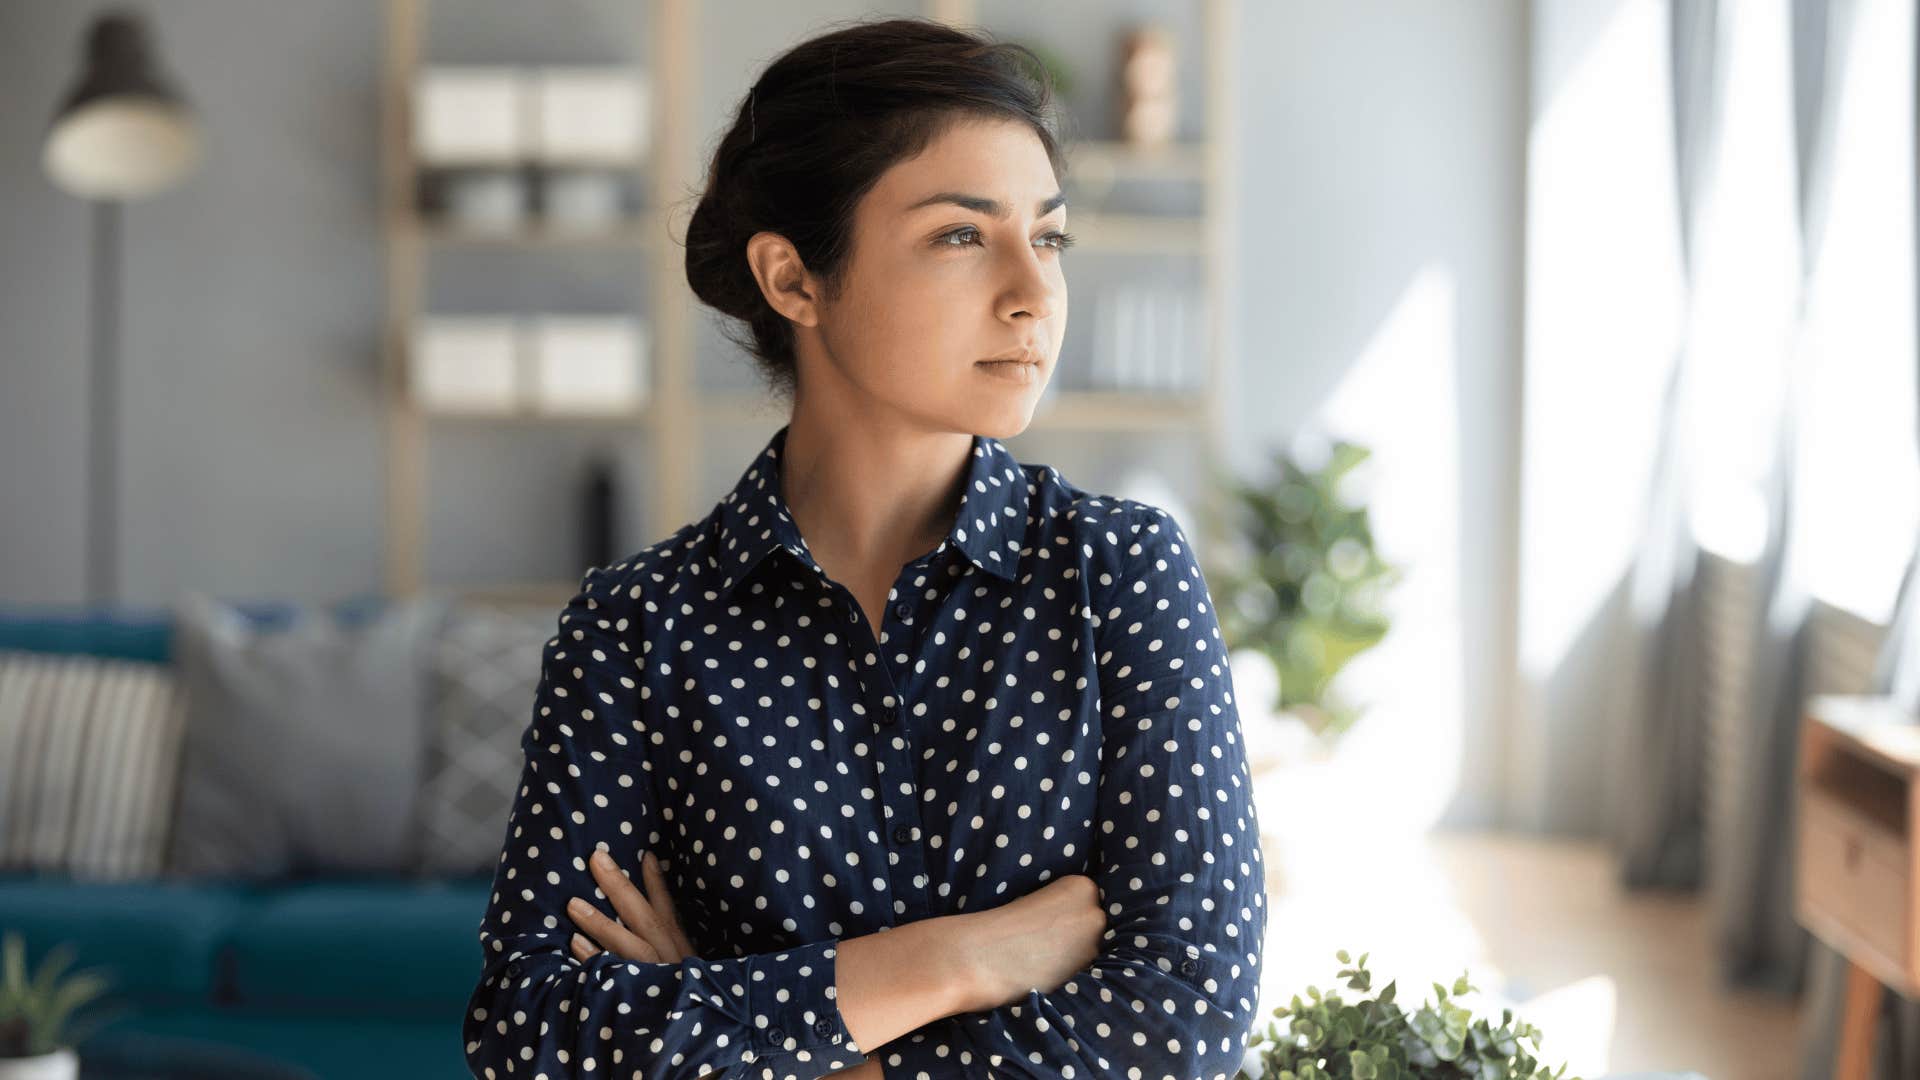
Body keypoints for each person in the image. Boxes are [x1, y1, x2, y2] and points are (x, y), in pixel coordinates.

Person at [462, 16, 1266, 1080]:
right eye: (961, 236)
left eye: (1050, 236)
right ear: (794, 280)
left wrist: (754, 1025)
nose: (1033, 291)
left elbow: (1187, 1023)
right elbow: (532, 1032)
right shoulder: (634, 629)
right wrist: (961, 958)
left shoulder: (1120, 576)